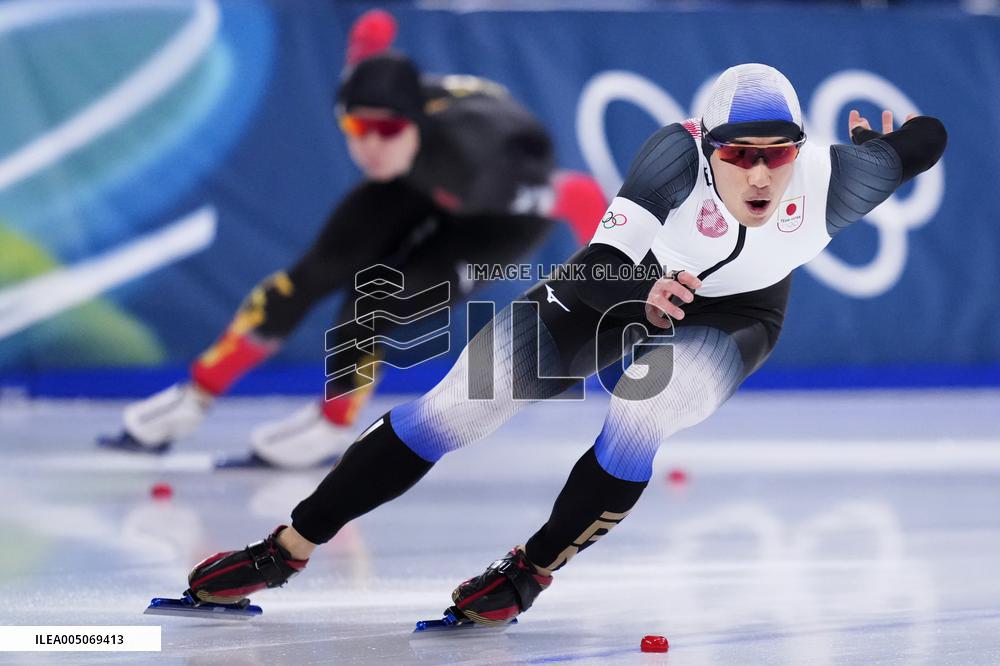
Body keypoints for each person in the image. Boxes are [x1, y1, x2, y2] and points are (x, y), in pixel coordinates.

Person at [182, 64, 947, 623]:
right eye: (737, 154)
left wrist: (895, 142)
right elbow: (597, 272)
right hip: (611, 289)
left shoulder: (838, 180)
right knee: (451, 412)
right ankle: (287, 547)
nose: (758, 172)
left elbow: (926, 139)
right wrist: (641, 296)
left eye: (775, 153)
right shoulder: (671, 159)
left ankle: (533, 568)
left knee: (641, 411)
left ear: (799, 148)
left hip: (734, 317)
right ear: (705, 146)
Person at [100, 14, 606, 469]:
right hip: (416, 179)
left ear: (415, 123)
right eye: (354, 127)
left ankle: (333, 425)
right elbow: (367, 50)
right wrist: (370, 37)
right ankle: (194, 398)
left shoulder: (485, 170)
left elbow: (580, 196)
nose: (367, 146)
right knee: (307, 278)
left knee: (376, 298)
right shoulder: (378, 111)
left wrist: (605, 285)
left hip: (492, 217)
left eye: (384, 130)